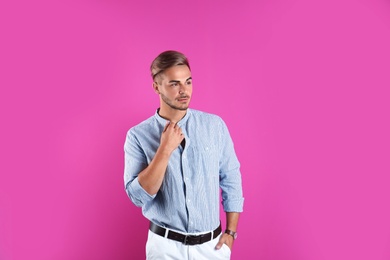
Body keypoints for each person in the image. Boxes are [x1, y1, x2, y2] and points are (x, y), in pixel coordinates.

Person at [124, 50, 244, 259]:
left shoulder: (214, 126)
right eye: (174, 84)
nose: (184, 90)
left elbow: (231, 177)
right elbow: (138, 197)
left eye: (188, 82)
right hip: (165, 248)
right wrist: (165, 149)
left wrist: (231, 232)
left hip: (211, 247)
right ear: (156, 87)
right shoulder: (138, 136)